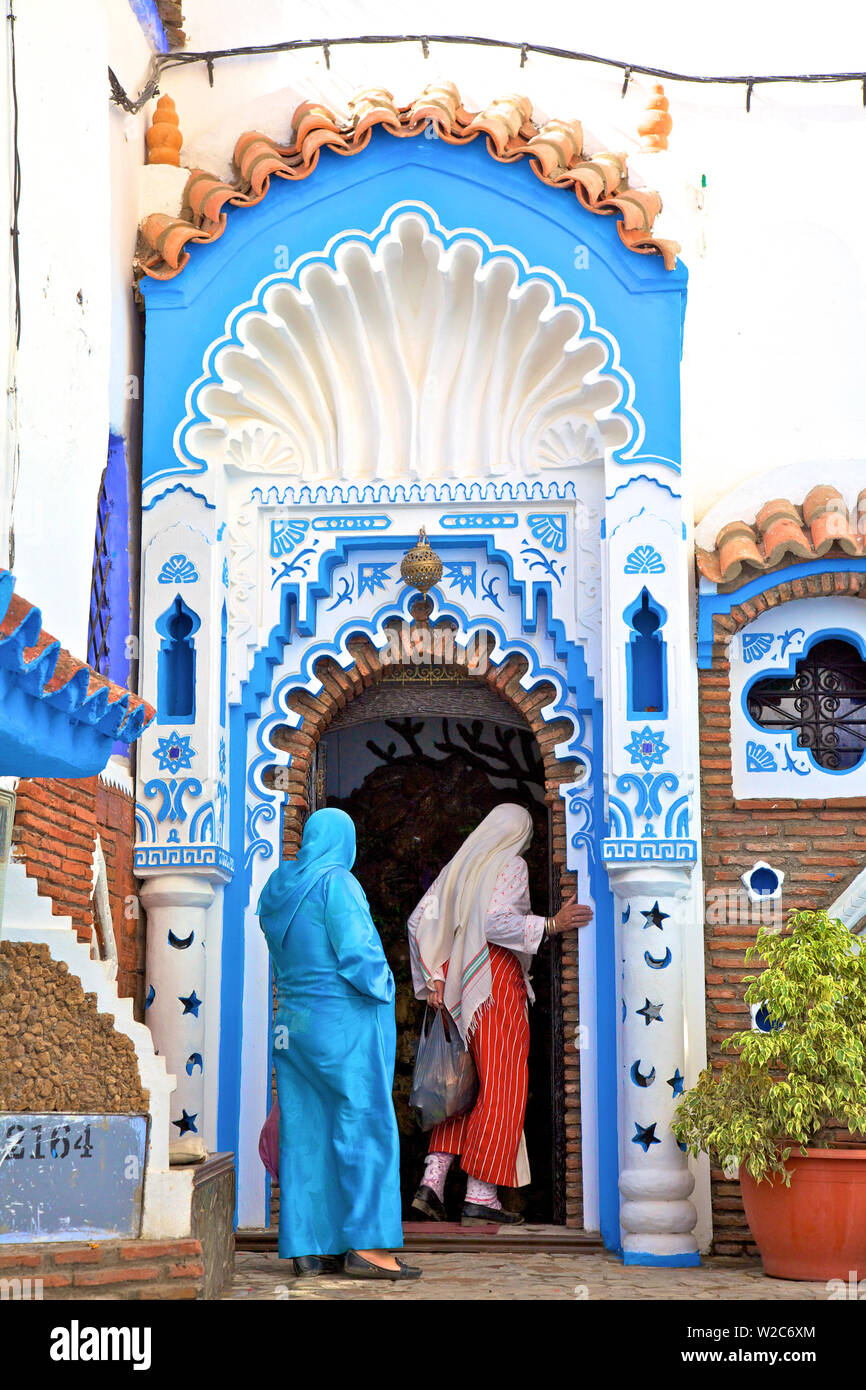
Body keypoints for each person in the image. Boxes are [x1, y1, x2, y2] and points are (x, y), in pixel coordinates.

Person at [407, 802, 592, 1225]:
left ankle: (432, 1184)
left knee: (462, 1084)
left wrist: (434, 977)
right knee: (502, 1085)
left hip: (455, 983)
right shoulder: (510, 864)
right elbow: (493, 923)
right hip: (492, 982)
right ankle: (480, 1194)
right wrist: (548, 925)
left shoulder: (459, 868)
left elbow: (419, 922)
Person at [257, 806, 421, 1280]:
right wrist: (387, 989)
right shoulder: (337, 883)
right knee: (364, 1126)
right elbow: (360, 958)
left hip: (290, 1024)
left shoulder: (275, 889)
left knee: (305, 1130)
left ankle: (311, 1247)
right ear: (342, 842)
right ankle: (368, 1247)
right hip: (341, 1023)